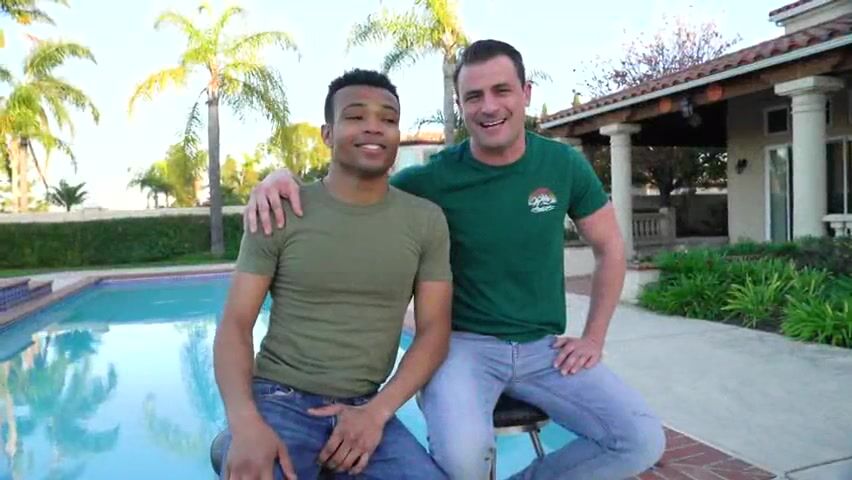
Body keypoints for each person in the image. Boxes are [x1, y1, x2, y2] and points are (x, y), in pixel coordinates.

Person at [243, 40, 666, 479]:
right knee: (465, 463)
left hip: (545, 350)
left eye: (502, 91)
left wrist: (594, 337)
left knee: (640, 439)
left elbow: (610, 247)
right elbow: (351, 183)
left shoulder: (562, 165)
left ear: (526, 94)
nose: (489, 106)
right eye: (474, 96)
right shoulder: (431, 180)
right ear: (461, 106)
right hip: (463, 349)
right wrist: (280, 179)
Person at [213, 69, 453, 480]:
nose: (373, 127)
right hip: (279, 400)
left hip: (365, 407)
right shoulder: (280, 210)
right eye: (356, 116)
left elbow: (434, 331)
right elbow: (235, 323)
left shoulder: (425, 221)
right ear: (327, 134)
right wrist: (244, 421)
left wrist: (377, 412)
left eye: (388, 119)